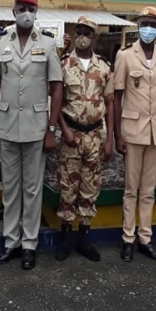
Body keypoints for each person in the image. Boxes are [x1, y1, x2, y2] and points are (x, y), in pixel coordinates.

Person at [0, 0, 63, 270]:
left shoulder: (48, 43)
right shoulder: (0, 43)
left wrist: (51, 128)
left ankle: (29, 244)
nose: (26, 14)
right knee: (10, 189)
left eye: (31, 9)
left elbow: (57, 88)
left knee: (32, 190)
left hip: (36, 128)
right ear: (14, 12)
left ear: (36, 12)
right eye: (22, 9)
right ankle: (11, 242)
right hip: (7, 126)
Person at [114, 6, 156, 263]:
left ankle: (145, 238)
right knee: (130, 189)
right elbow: (117, 96)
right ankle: (128, 238)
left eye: (153, 25)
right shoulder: (125, 55)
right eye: (145, 24)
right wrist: (117, 134)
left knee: (148, 190)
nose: (149, 28)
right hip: (132, 130)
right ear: (138, 26)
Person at [55, 17, 114, 262]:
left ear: (94, 37)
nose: (82, 36)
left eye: (87, 33)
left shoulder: (104, 67)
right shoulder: (63, 64)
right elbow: (55, 101)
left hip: (94, 135)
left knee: (90, 187)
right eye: (79, 31)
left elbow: (109, 104)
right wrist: (64, 130)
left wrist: (110, 139)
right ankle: (66, 236)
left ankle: (84, 237)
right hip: (72, 134)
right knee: (68, 186)